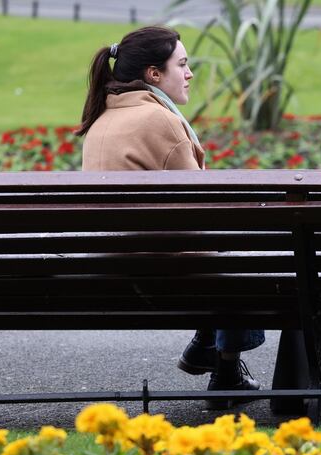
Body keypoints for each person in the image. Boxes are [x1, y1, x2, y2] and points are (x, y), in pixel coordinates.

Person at [78, 26, 263, 409]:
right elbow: (204, 212)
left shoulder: (100, 120)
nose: (190, 73)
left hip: (112, 267)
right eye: (182, 64)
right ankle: (225, 370)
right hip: (161, 275)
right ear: (154, 75)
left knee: (215, 251)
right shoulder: (160, 121)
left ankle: (204, 345)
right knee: (252, 260)